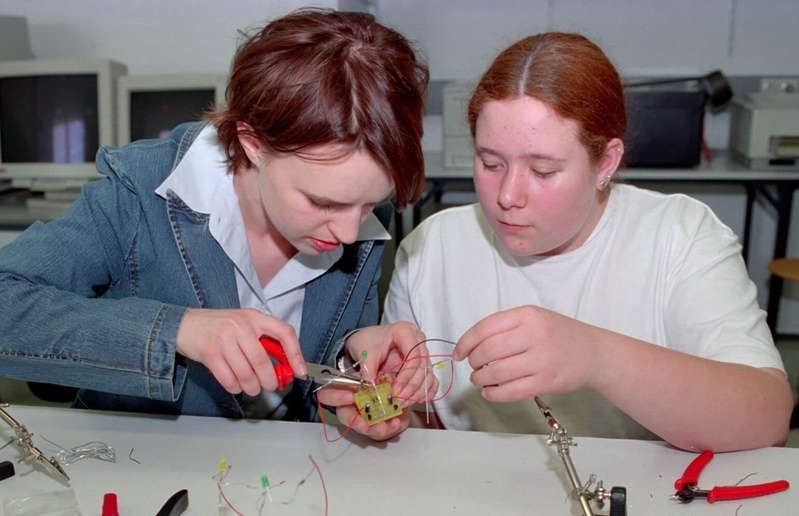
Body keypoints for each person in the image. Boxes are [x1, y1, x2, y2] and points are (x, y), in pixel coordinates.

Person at [0, 8, 432, 439]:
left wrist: (353, 366)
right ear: (252, 144)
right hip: (137, 464)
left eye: (370, 204)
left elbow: (323, 360)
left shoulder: (360, 218)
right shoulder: (139, 192)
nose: (349, 234)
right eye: (321, 202)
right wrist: (179, 329)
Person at [378, 32, 793, 452]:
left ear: (605, 163)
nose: (507, 196)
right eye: (490, 163)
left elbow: (767, 419)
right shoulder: (434, 246)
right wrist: (386, 406)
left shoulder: (679, 237)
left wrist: (596, 357)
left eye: (542, 171)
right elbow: (419, 430)